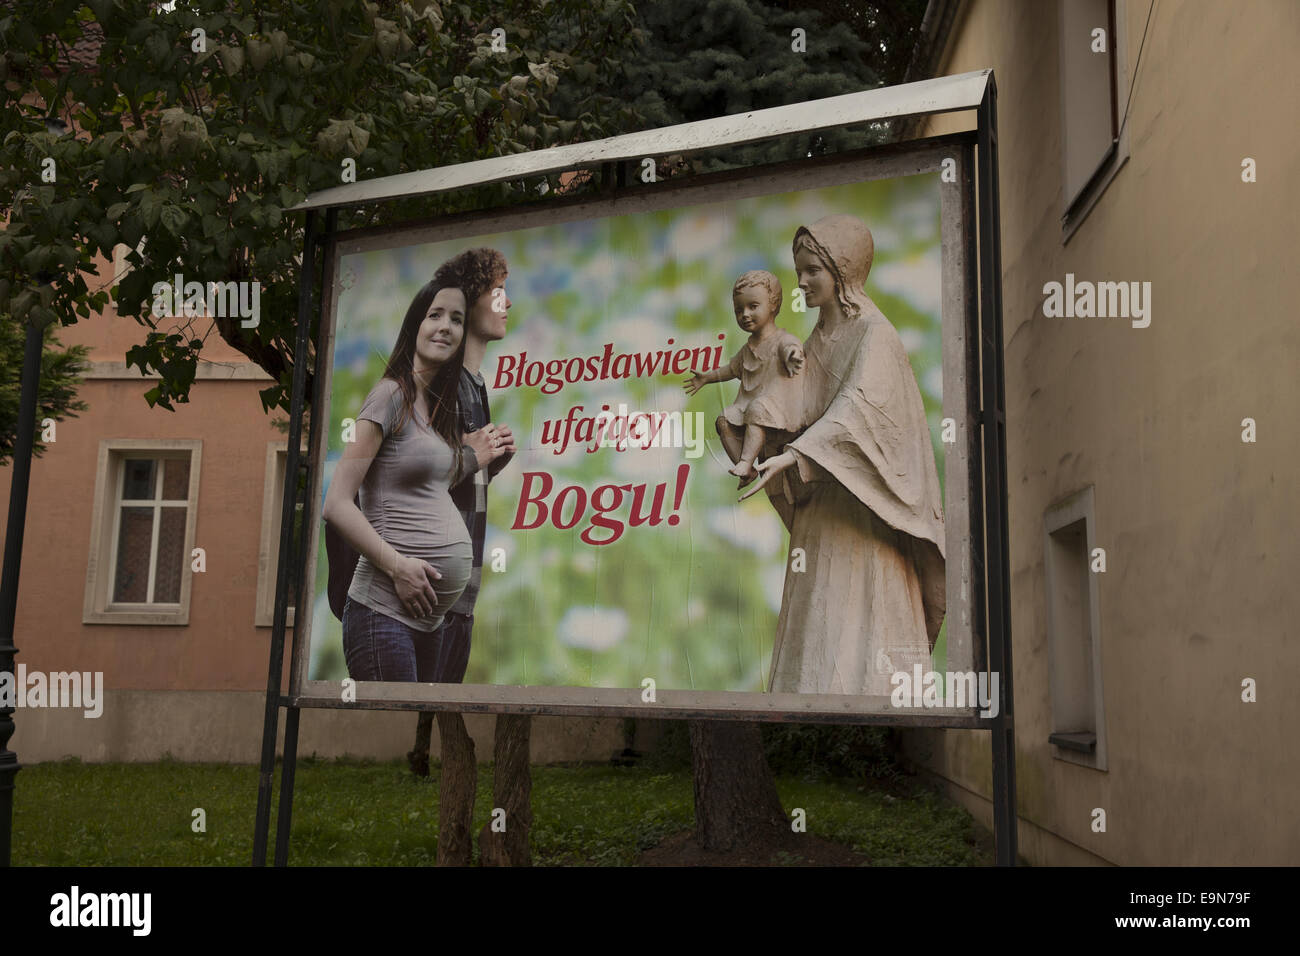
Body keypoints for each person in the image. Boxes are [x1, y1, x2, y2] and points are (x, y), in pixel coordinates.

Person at [740, 215, 946, 696]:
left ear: (843, 269)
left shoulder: (876, 335)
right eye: (799, 270)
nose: (802, 281)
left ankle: (870, 707)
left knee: (861, 626)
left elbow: (861, 410)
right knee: (815, 628)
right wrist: (752, 426)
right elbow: (791, 405)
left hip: (863, 515)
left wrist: (798, 455)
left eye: (813, 269)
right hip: (820, 514)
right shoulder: (810, 344)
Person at [322, 276, 478, 682]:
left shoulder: (434, 408)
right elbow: (336, 503)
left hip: (429, 623)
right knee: (385, 738)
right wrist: (398, 568)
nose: (446, 326)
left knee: (408, 740)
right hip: (382, 613)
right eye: (435, 315)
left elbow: (423, 484)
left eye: (457, 319)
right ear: (414, 325)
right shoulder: (391, 395)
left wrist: (478, 455)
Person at [425, 247, 517, 682]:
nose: (508, 304)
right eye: (498, 292)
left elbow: (450, 482)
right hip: (433, 592)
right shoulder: (440, 382)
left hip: (461, 594)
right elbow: (405, 477)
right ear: (470, 299)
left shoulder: (475, 385)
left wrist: (487, 465)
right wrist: (468, 456)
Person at [683, 269, 805, 486]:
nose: (745, 314)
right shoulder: (747, 348)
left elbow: (790, 347)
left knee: (757, 408)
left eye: (753, 306)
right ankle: (746, 467)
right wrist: (707, 378)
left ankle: (746, 462)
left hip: (777, 407)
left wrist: (793, 356)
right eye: (739, 310)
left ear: (773, 305)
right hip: (750, 407)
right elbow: (731, 369)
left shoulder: (781, 340)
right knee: (724, 418)